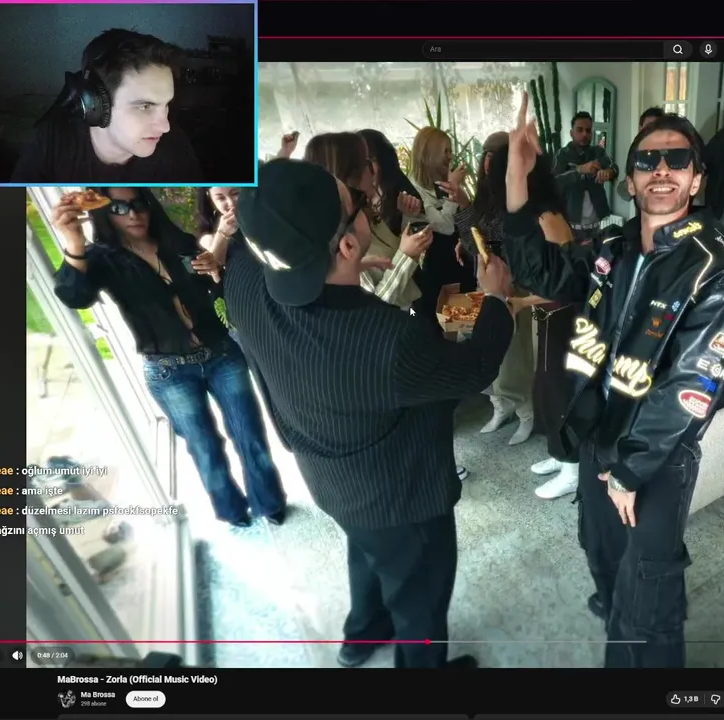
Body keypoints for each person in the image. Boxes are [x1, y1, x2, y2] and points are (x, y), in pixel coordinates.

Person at [213, 159, 517, 668]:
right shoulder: (387, 340)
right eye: (356, 203)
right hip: (401, 495)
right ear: (349, 246)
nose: (365, 204)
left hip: (330, 477)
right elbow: (474, 369)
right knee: (419, 596)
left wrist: (351, 275)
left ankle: (362, 634)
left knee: (368, 552)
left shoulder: (243, 277)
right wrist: (495, 298)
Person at [504, 97, 724, 667]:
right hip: (598, 434)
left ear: (697, 179)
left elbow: (692, 386)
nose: (661, 170)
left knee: (648, 600)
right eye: (647, 161)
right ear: (631, 179)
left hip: (655, 458)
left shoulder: (719, 269)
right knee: (602, 556)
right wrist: (518, 178)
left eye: (677, 160)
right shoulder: (613, 247)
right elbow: (543, 271)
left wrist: (629, 470)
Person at [50, 187, 285, 527]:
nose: (133, 214)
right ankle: (232, 511)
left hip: (221, 354)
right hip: (169, 371)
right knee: (205, 447)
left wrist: (214, 270)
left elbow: (214, 290)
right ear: (103, 212)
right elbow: (75, 296)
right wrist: (73, 241)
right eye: (119, 208)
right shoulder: (102, 259)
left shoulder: (179, 242)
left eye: (139, 204)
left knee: (250, 434)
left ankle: (269, 502)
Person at [12, 29, 203, 183]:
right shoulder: (52, 139)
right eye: (145, 107)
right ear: (95, 102)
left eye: (166, 105)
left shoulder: (176, 147)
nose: (165, 126)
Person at [453, 133, 538, 446]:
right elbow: (473, 241)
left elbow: (495, 234)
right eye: (486, 154)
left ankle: (526, 413)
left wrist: (465, 209)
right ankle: (499, 407)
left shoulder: (519, 192)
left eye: (496, 154)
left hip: (514, 284)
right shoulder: (483, 192)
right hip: (483, 281)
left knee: (514, 357)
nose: (488, 160)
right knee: (468, 339)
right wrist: (465, 224)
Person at [302, 132, 432, 311]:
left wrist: (408, 218)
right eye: (366, 164)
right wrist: (406, 256)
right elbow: (375, 305)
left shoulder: (366, 212)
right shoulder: (343, 237)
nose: (375, 170)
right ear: (347, 176)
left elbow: (392, 252)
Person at [409, 127, 476, 302]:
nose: (450, 157)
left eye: (450, 151)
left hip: (460, 263)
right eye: (445, 151)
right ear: (429, 154)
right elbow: (446, 227)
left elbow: (465, 219)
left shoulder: (440, 182)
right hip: (436, 273)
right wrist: (453, 188)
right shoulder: (413, 191)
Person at [553, 111, 617, 240]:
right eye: (579, 130)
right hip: (570, 226)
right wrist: (579, 170)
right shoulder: (562, 155)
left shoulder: (598, 152)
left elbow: (614, 168)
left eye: (588, 131)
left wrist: (607, 173)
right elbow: (554, 182)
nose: (584, 134)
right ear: (571, 133)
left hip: (598, 225)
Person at [615, 107, 667, 204]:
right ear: (641, 128)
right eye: (649, 126)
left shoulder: (671, 149)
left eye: (657, 126)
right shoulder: (636, 150)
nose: (652, 131)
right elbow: (624, 193)